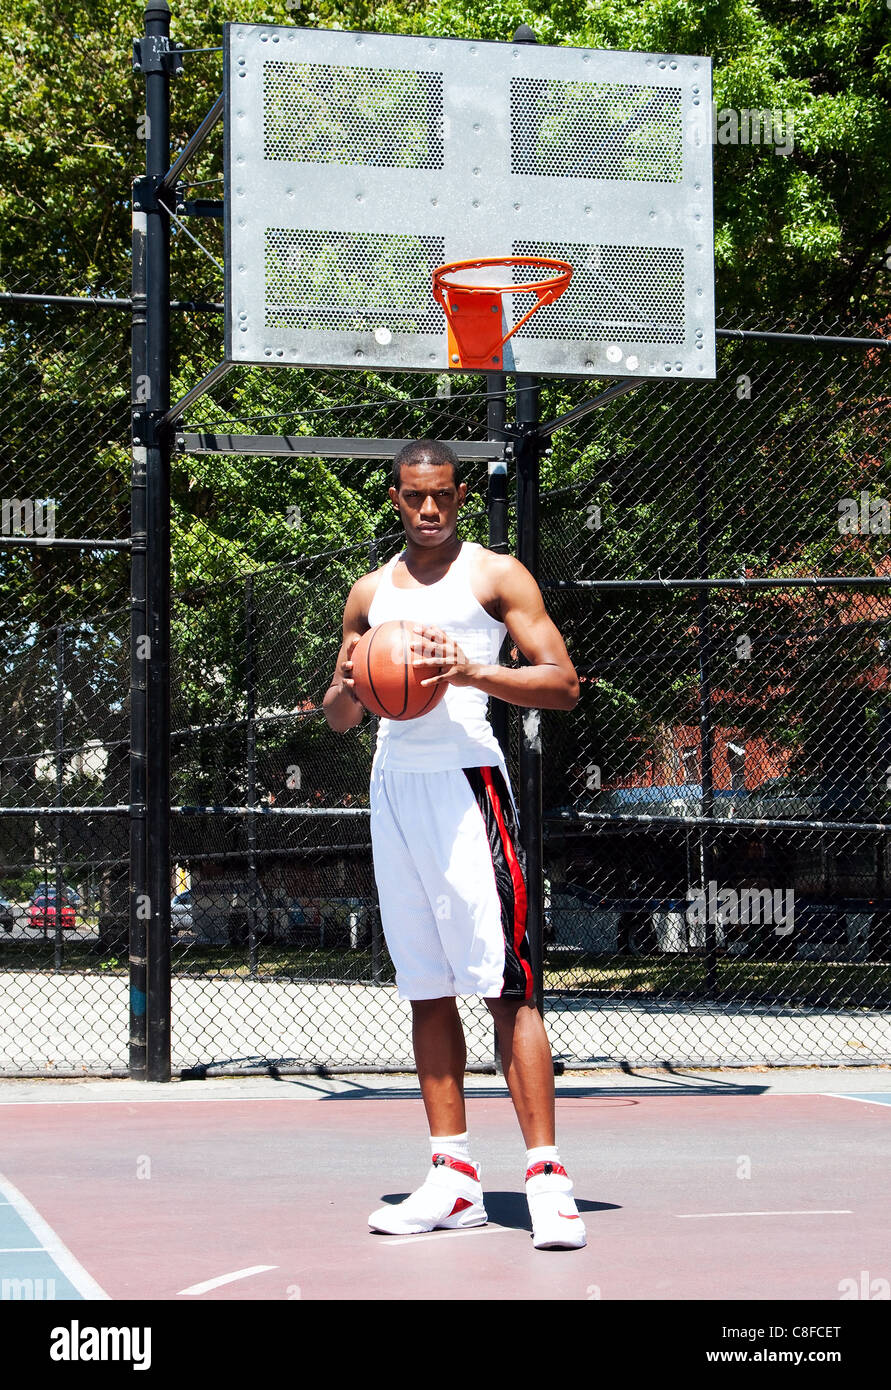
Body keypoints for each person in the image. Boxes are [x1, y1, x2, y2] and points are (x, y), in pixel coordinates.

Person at [322, 439, 585, 1250]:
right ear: (394, 498)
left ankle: (546, 1180)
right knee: (425, 985)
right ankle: (454, 1180)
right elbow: (338, 714)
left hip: (468, 785)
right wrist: (353, 681)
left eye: (440, 496)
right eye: (412, 497)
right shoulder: (368, 593)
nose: (427, 510)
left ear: (460, 495)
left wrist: (469, 673)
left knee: (506, 985)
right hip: (394, 788)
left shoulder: (494, 575)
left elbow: (563, 684)